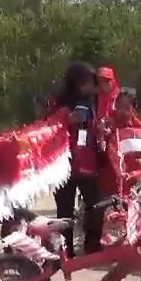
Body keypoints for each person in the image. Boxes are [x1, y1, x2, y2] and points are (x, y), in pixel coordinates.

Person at [53, 62, 104, 257]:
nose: (93, 86)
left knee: (95, 205)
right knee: (65, 209)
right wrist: (67, 118)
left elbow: (90, 127)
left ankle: (92, 245)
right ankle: (65, 251)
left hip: (86, 163)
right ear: (78, 83)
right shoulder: (59, 103)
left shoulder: (91, 101)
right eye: (90, 82)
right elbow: (50, 124)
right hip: (64, 163)